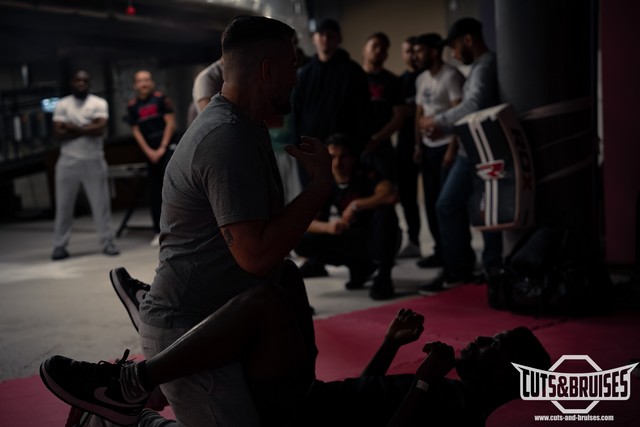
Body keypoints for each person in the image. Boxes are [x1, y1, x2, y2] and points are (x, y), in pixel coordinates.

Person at [64, 16, 332, 427]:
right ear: (267, 70)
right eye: (292, 65)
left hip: (221, 322)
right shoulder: (225, 137)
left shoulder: (249, 127)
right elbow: (256, 256)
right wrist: (319, 189)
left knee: (288, 280)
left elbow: (266, 243)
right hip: (189, 331)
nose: (296, 78)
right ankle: (103, 420)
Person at [41, 265, 551, 427]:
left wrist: (421, 382)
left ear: (507, 375)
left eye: (494, 344)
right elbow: (365, 393)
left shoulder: (459, 414)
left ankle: (134, 382)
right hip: (311, 396)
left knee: (266, 302)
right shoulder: (452, 391)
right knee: (284, 275)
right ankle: (162, 324)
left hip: (297, 416)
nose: (480, 339)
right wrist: (389, 344)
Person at [417, 17, 503, 293]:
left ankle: (479, 268)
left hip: (481, 151)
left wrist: (437, 121)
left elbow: (474, 105)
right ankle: (474, 266)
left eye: (454, 47)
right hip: (473, 149)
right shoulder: (478, 67)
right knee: (462, 207)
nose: (453, 54)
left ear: (468, 40)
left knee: (465, 207)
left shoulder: (486, 65)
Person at [295, 133, 400, 300]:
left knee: (385, 212)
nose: (337, 163)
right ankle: (359, 266)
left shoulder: (365, 173)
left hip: (375, 235)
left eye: (343, 157)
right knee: (301, 240)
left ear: (352, 158)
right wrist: (329, 227)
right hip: (349, 235)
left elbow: (389, 195)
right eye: (332, 157)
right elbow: (304, 220)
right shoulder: (325, 181)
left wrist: (356, 205)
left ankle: (384, 275)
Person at [292, 18, 372, 184]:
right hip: (311, 149)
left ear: (339, 38)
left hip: (345, 152)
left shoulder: (353, 72)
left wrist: (358, 146)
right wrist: (298, 145)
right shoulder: (304, 74)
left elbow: (363, 112)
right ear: (314, 39)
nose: (325, 39)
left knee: (344, 195)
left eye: (330, 35)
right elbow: (296, 112)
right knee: (313, 195)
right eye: (321, 35)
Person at [51, 69, 119, 260]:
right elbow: (58, 133)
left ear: (89, 84)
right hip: (67, 161)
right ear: (72, 83)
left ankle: (108, 242)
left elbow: (100, 129)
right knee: (63, 205)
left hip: (93, 159)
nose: (81, 83)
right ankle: (59, 245)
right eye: (77, 80)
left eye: (84, 81)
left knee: (101, 204)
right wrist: (87, 127)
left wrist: (71, 127)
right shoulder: (63, 104)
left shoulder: (98, 103)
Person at [412, 33, 465, 269]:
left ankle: (459, 255)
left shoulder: (451, 76)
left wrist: (452, 149)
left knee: (449, 205)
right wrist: (418, 145)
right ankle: (440, 251)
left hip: (447, 148)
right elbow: (419, 113)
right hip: (428, 149)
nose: (415, 56)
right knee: (431, 203)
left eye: (420, 51)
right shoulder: (421, 79)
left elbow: (460, 114)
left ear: (434, 51)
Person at [127, 70, 176, 246]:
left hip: (166, 149)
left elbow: (170, 123)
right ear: (135, 85)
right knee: (154, 193)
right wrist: (149, 152)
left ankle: (178, 230)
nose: (144, 83)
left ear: (152, 82)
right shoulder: (132, 106)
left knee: (172, 190)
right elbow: (136, 131)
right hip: (150, 153)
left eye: (147, 80)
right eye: (140, 81)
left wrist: (162, 148)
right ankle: (158, 231)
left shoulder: (161, 99)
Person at [361, 31, 407, 182]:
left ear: (386, 54)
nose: (378, 50)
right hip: (356, 145)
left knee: (387, 190)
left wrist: (376, 140)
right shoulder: (352, 77)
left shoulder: (393, 81)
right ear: (364, 49)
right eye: (374, 46)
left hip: (382, 145)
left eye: (383, 48)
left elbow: (399, 117)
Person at [395, 35, 423, 259]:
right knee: (407, 196)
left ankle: (443, 245)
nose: (412, 56)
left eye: (415, 51)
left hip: (430, 144)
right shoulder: (399, 82)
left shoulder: (428, 77)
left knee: (435, 198)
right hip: (405, 145)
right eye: (407, 51)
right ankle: (413, 241)